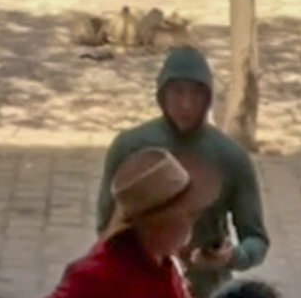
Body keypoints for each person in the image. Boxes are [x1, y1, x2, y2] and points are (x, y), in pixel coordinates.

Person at [96, 47, 270, 297]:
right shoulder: (129, 147)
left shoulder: (231, 158)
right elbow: (106, 226)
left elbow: (256, 239)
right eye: (178, 91)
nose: (186, 104)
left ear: (208, 97)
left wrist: (232, 256)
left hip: (208, 289)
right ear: (162, 93)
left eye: (196, 93)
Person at [48, 148, 215, 298]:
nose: (192, 223)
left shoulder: (163, 260)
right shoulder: (97, 276)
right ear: (156, 225)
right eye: (188, 215)